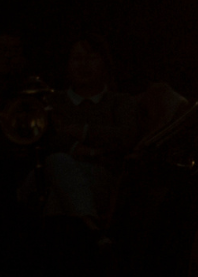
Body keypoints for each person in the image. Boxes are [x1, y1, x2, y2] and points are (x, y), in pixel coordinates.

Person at [45, 34, 139, 236]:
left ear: (105, 64)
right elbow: (48, 137)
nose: (84, 65)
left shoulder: (120, 102)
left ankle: (83, 231)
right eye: (77, 58)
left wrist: (83, 131)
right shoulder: (53, 102)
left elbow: (125, 137)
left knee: (57, 177)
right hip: (48, 177)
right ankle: (90, 228)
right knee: (57, 164)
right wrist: (84, 150)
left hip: (102, 181)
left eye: (91, 58)